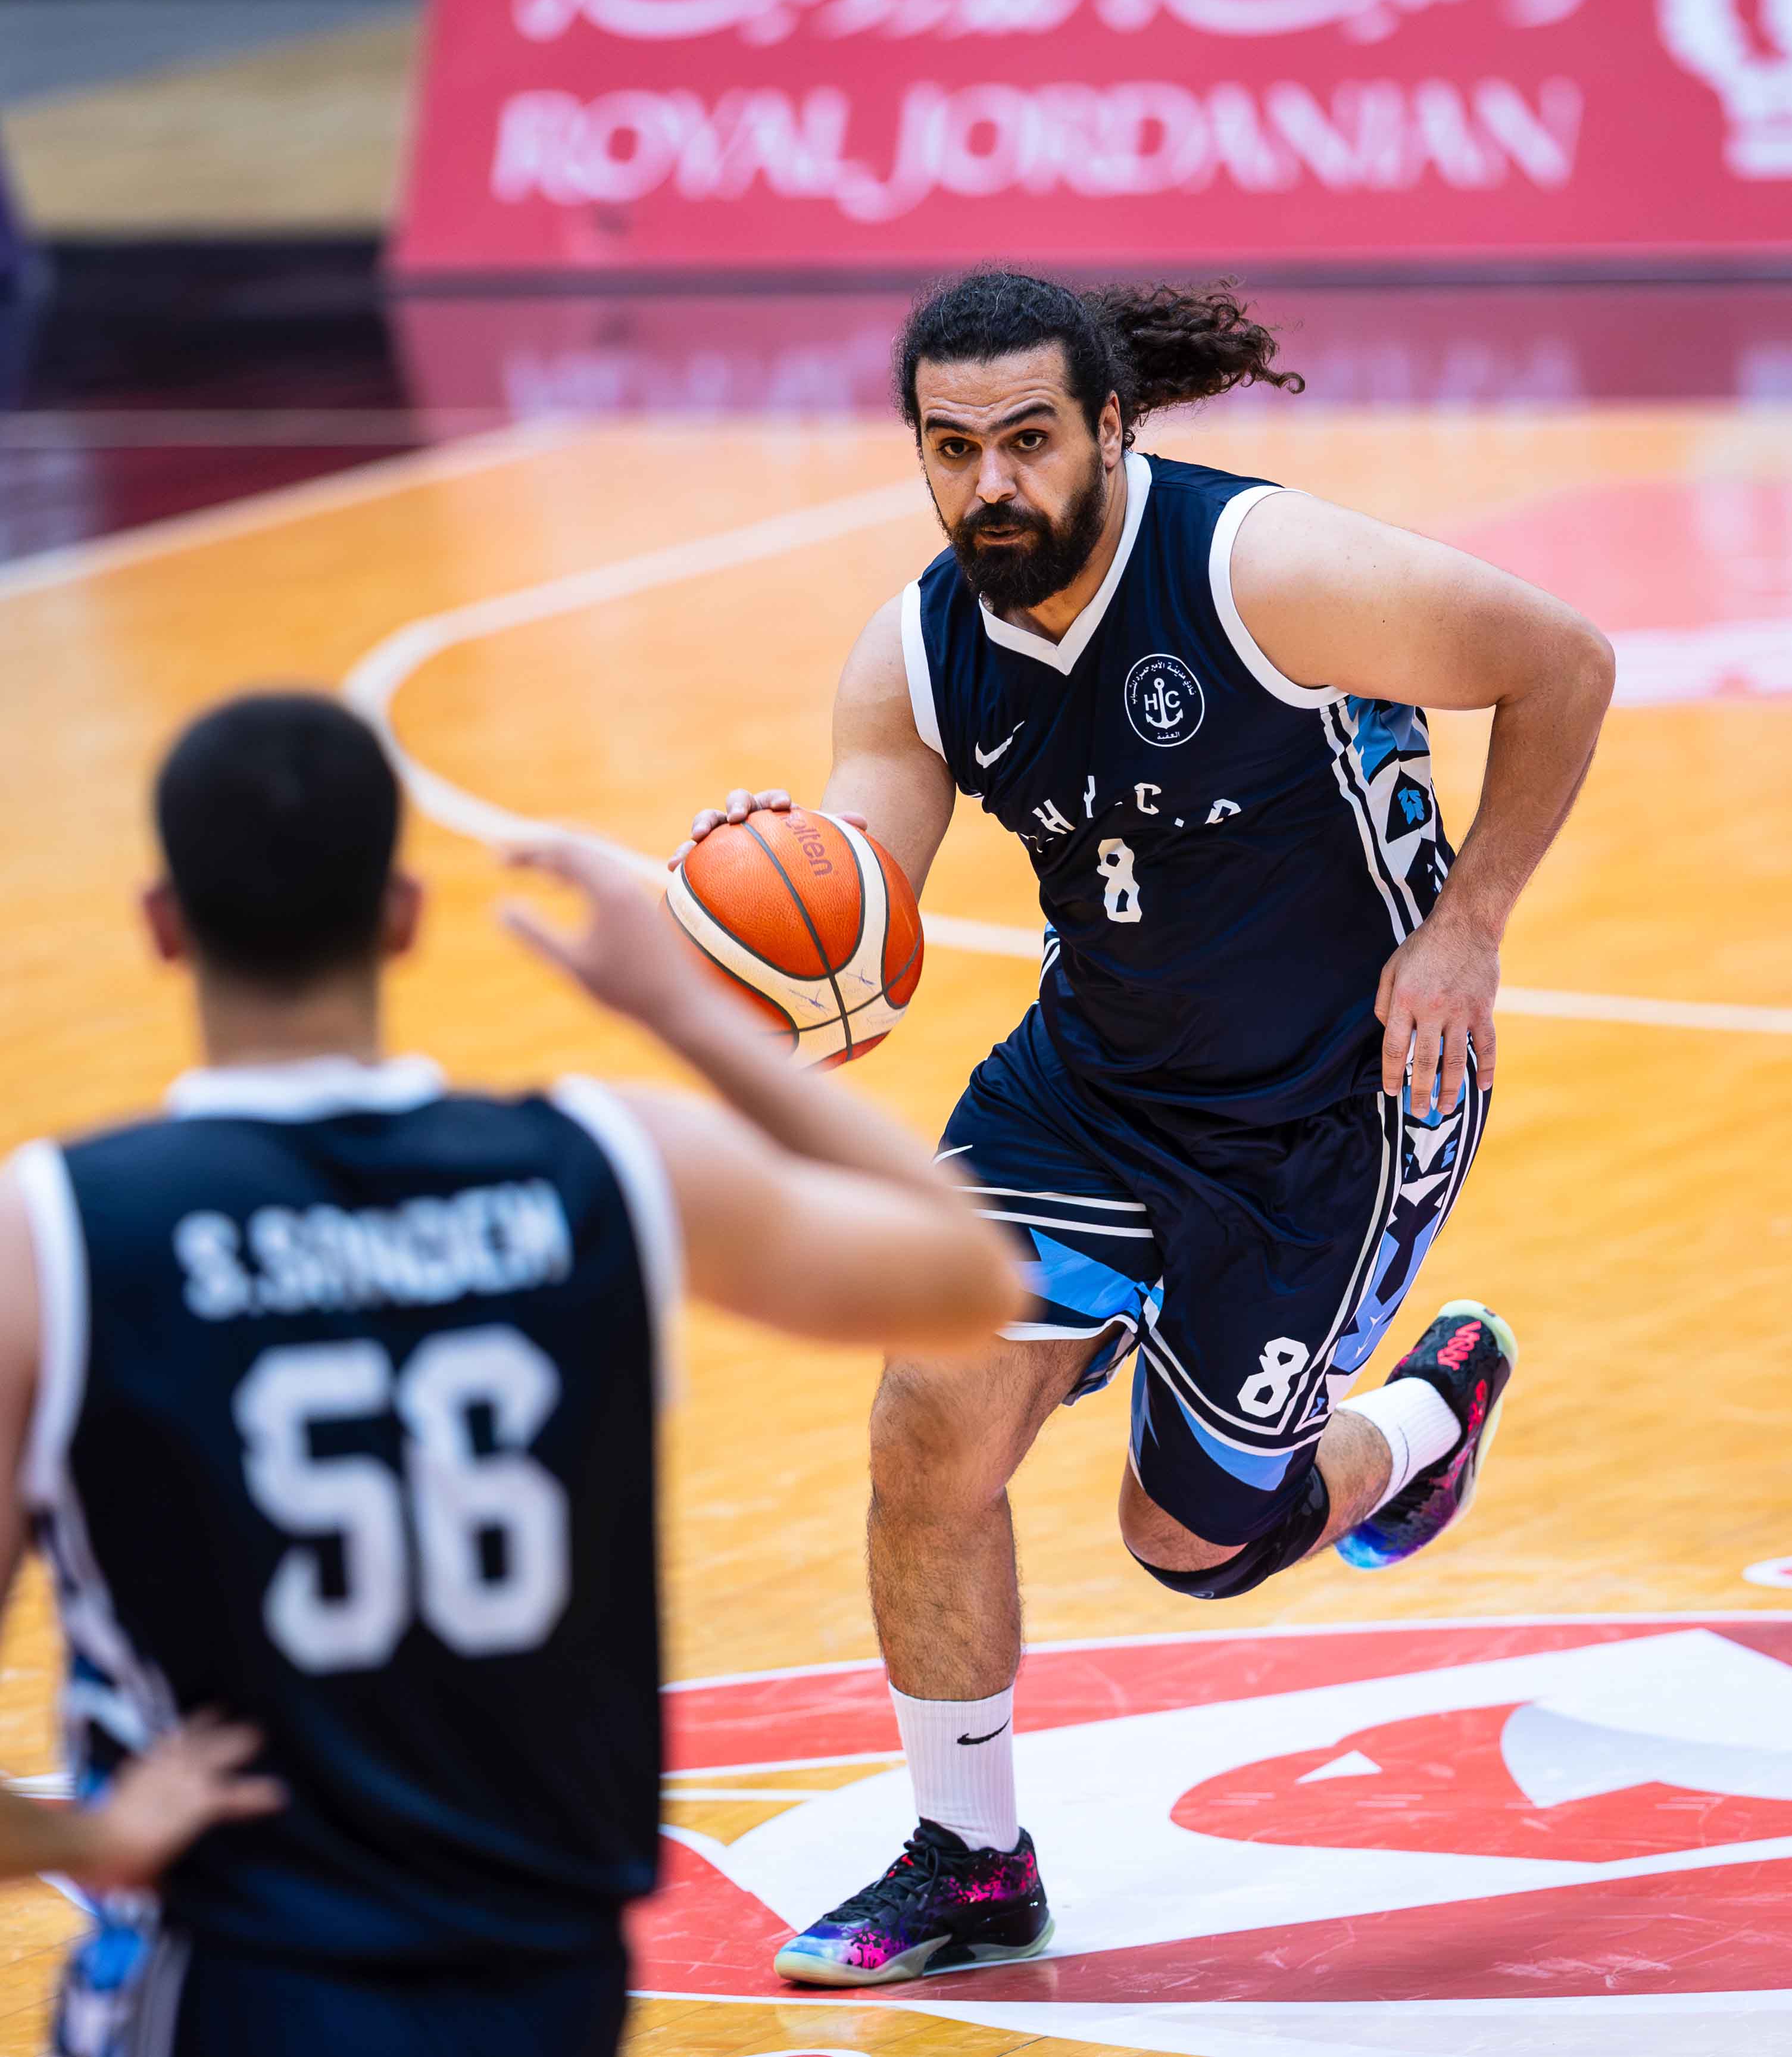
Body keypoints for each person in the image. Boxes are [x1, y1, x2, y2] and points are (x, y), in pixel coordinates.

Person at [672, 270, 1616, 1986]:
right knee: (926, 1427)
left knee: (1187, 1540)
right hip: (1087, 1093)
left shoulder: (1261, 571)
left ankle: (1418, 1422)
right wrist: (768, 900)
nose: (990, 484)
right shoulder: (917, 653)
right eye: (950, 448)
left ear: (1110, 429)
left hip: (1337, 1104)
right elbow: (858, 932)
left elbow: (1562, 660)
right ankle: (970, 1859)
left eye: (1028, 439)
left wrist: (1466, 926)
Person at [0, 692, 1022, 2056]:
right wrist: (692, 1009)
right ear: (403, 915)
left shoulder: (57, 1237)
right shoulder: (602, 1167)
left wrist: (92, 1840)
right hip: (543, 1987)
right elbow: (970, 1270)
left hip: (238, 1984)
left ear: (163, 924)